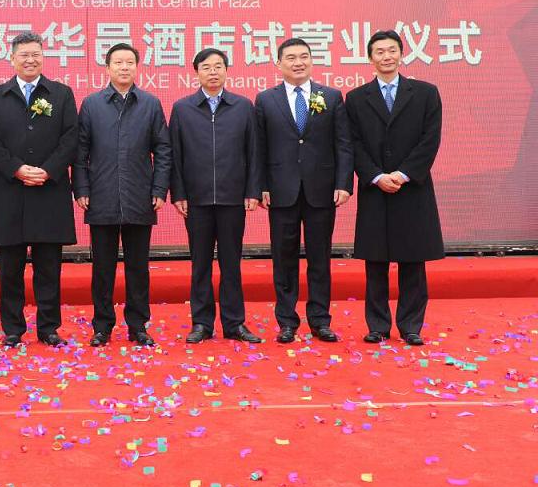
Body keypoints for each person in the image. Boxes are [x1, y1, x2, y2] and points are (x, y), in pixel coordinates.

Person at [345, 30, 443, 346]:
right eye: (379, 52)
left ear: (402, 54)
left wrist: (402, 174)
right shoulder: (356, 98)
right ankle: (378, 325)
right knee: (375, 262)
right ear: (369, 58)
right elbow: (353, 143)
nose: (386, 56)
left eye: (391, 50)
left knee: (413, 260)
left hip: (412, 188)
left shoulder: (426, 93)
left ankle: (411, 325)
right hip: (375, 189)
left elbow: (430, 140)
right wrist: (376, 176)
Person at [0, 32, 78, 347]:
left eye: (36, 54)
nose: (30, 60)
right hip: (11, 192)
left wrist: (48, 170)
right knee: (9, 269)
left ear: (43, 57)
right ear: (12, 58)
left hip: (49, 192)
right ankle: (13, 328)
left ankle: (48, 327)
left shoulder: (61, 94)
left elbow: (71, 139)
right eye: (24, 54)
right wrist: (16, 169)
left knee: (49, 268)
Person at [255, 38, 353, 343]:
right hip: (281, 191)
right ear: (279, 64)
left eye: (304, 57)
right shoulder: (266, 100)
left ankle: (320, 320)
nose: (298, 62)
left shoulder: (331, 96)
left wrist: (343, 183)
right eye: (291, 58)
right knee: (283, 259)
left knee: (319, 258)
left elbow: (343, 144)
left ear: (311, 60)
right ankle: (287, 321)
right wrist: (261, 186)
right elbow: (259, 148)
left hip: (321, 190)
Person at [73, 43, 171, 347]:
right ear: (107, 68)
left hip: (140, 196)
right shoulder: (92, 104)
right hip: (100, 196)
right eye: (118, 62)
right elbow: (80, 151)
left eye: (130, 62)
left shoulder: (150, 104)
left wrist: (159, 189)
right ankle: (102, 326)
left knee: (137, 268)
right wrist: (81, 188)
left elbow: (163, 149)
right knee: (102, 268)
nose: (124, 67)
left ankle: (138, 325)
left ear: (137, 67)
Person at [170, 48, 262, 344]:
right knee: (200, 264)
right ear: (196, 72)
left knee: (231, 263)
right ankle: (201, 323)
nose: (213, 72)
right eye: (206, 67)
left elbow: (254, 151)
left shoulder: (243, 106)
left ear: (226, 70)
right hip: (196, 199)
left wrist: (252, 190)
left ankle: (235, 323)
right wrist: (178, 192)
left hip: (232, 198)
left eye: (218, 66)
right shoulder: (183, 108)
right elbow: (175, 154)